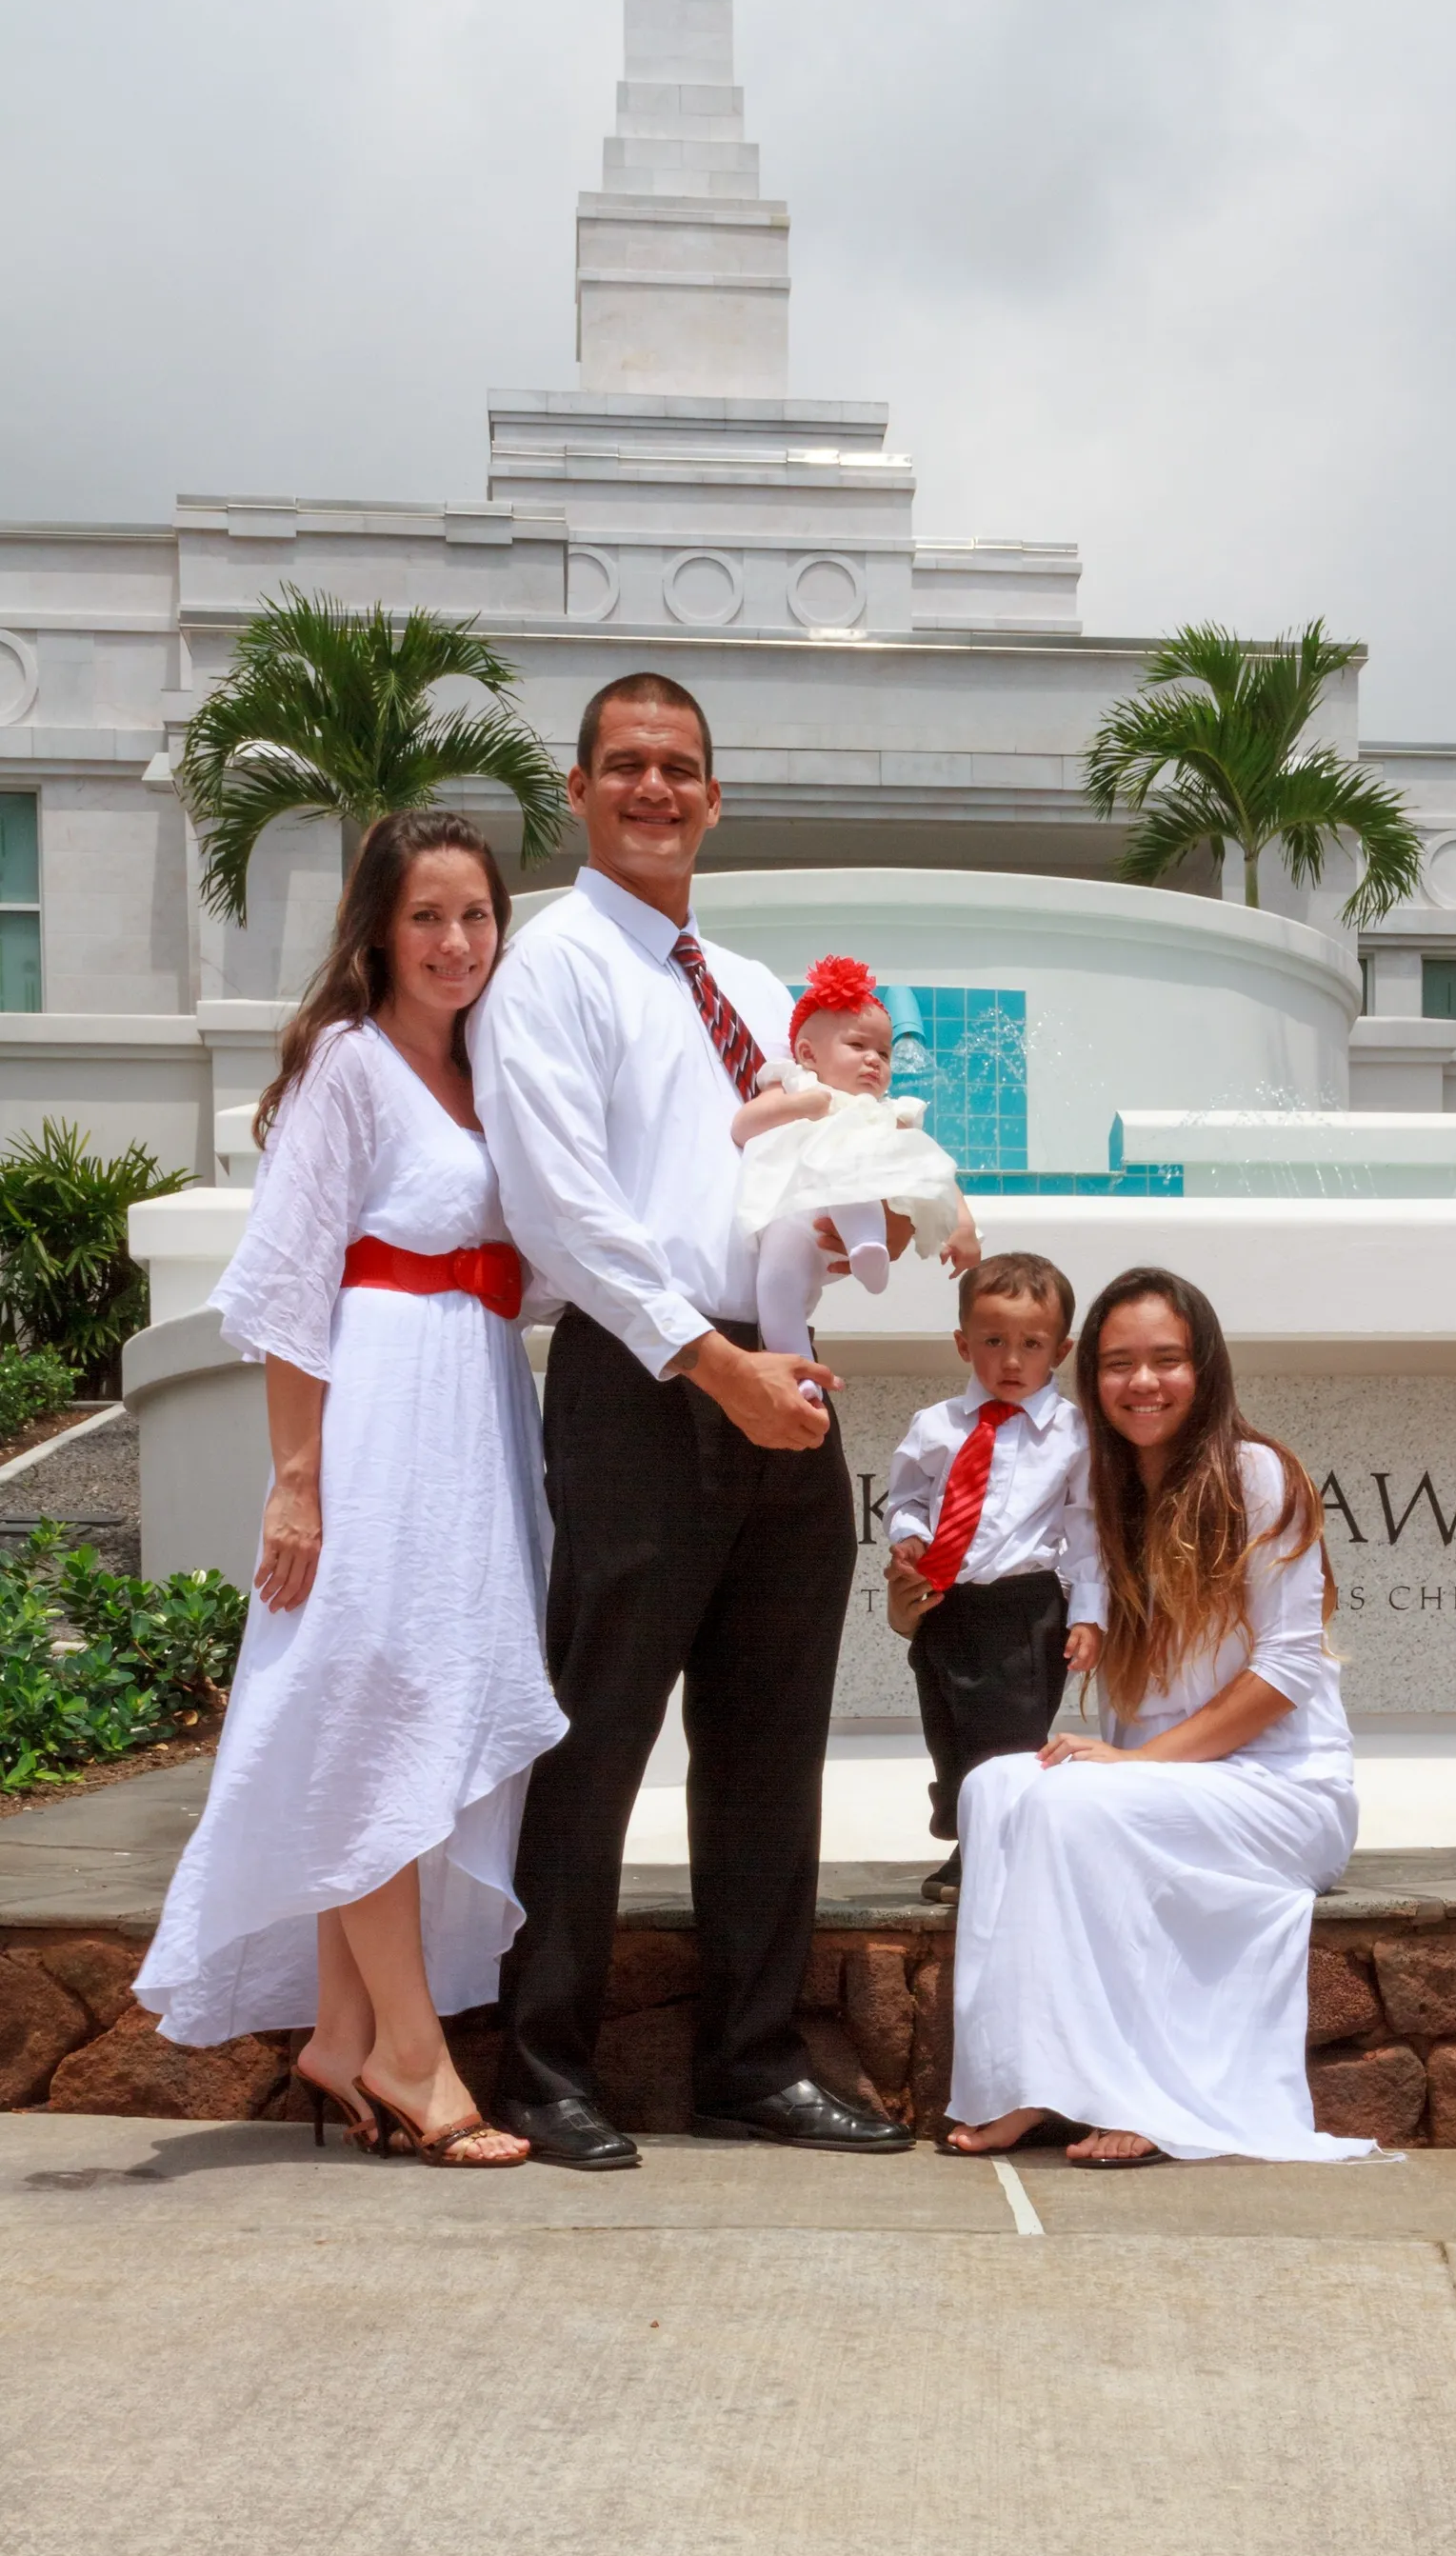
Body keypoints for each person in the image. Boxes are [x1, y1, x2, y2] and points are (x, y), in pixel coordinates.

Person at [468, 670, 915, 2166]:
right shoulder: (553, 967)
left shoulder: (746, 977)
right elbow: (563, 1208)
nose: (655, 789)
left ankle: (752, 2060)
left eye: (681, 769)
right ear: (582, 791)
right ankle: (541, 2063)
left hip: (785, 1380)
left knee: (770, 1742)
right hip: (644, 1380)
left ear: (714, 797)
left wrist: (864, 1233)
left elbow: (786, 1176)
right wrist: (706, 1359)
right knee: (594, 1736)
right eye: (627, 766)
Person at [134, 809, 567, 2169]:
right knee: (376, 1711)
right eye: (428, 916)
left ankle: (338, 2032)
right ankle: (412, 2054)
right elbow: (289, 1287)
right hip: (380, 1414)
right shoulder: (348, 1063)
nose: (455, 942)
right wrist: (299, 1485)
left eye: (477, 916)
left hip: (477, 1409)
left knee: (418, 1708)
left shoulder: (492, 1072)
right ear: (381, 928)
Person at [945, 1267, 1376, 2168]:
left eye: (1167, 1360)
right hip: (1158, 1786)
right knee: (993, 1789)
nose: (1142, 1383)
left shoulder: (1258, 1476)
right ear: (1089, 1378)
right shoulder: (1099, 1491)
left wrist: (1141, 1766)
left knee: (1070, 1803)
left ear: (1205, 1368)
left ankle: (1144, 2094)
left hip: (1282, 1791)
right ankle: (1018, 2079)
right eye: (1118, 1364)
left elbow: (1287, 1671)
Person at [883, 1252, 1104, 1906]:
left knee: (1009, 1734)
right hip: (947, 1601)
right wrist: (905, 1535)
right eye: (993, 1342)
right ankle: (966, 1830)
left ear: (1060, 1349)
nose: (1011, 1361)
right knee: (947, 1723)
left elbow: (1087, 1529)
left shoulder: (1072, 1434)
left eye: (1031, 1345)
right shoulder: (935, 1427)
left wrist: (1089, 1612)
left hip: (1026, 1605)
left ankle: (997, 1845)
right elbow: (904, 1501)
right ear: (962, 1343)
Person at [735, 952, 977, 1399]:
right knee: (776, 1289)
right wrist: (799, 1106)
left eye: (883, 1053)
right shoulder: (795, 1086)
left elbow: (933, 1169)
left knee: (850, 1169)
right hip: (789, 1218)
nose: (874, 1061)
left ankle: (868, 1246)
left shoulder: (885, 1114)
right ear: (808, 1054)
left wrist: (963, 1225)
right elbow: (743, 1127)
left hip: (846, 1206)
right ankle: (802, 1375)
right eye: (858, 1047)